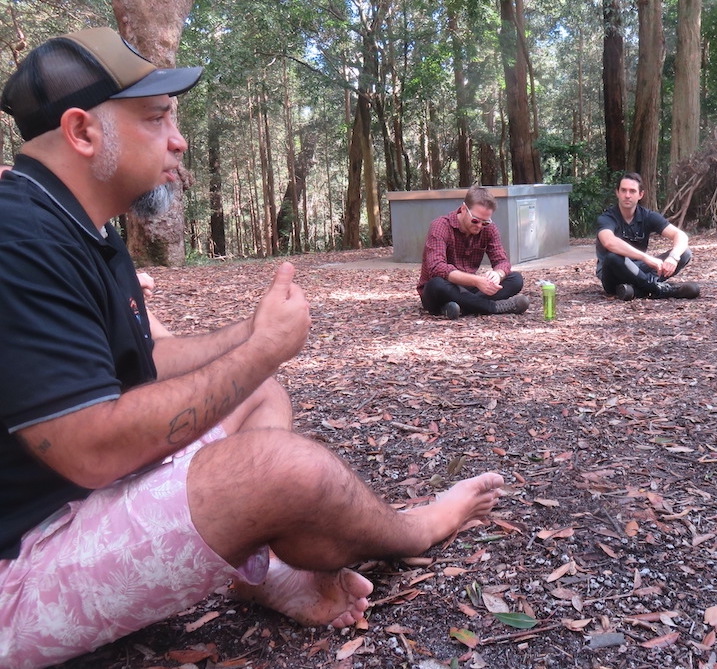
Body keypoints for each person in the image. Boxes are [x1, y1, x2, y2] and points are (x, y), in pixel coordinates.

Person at [0, 28, 505, 669]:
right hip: (19, 567)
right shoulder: (19, 238)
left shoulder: (83, 227)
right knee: (283, 469)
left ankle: (253, 574)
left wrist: (247, 337)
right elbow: (93, 450)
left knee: (259, 394)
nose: (178, 141)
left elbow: (142, 367)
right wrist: (263, 349)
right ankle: (420, 527)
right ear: (82, 132)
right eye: (157, 120)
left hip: (66, 508)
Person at [416, 185, 530, 319]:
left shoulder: (489, 229)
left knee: (515, 279)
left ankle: (457, 308)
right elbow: (437, 268)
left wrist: (498, 274)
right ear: (464, 209)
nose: (480, 226)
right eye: (475, 220)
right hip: (442, 289)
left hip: (468, 288)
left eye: (485, 222)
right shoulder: (440, 226)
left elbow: (502, 261)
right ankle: (493, 307)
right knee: (436, 284)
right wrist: (477, 281)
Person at [595, 172, 700, 301]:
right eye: (623, 190)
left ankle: (635, 291)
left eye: (632, 191)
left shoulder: (647, 216)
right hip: (614, 274)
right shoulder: (607, 218)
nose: (627, 195)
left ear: (640, 195)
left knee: (685, 253)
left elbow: (680, 235)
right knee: (612, 257)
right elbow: (609, 242)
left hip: (641, 269)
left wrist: (673, 257)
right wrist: (646, 258)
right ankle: (658, 289)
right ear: (617, 193)